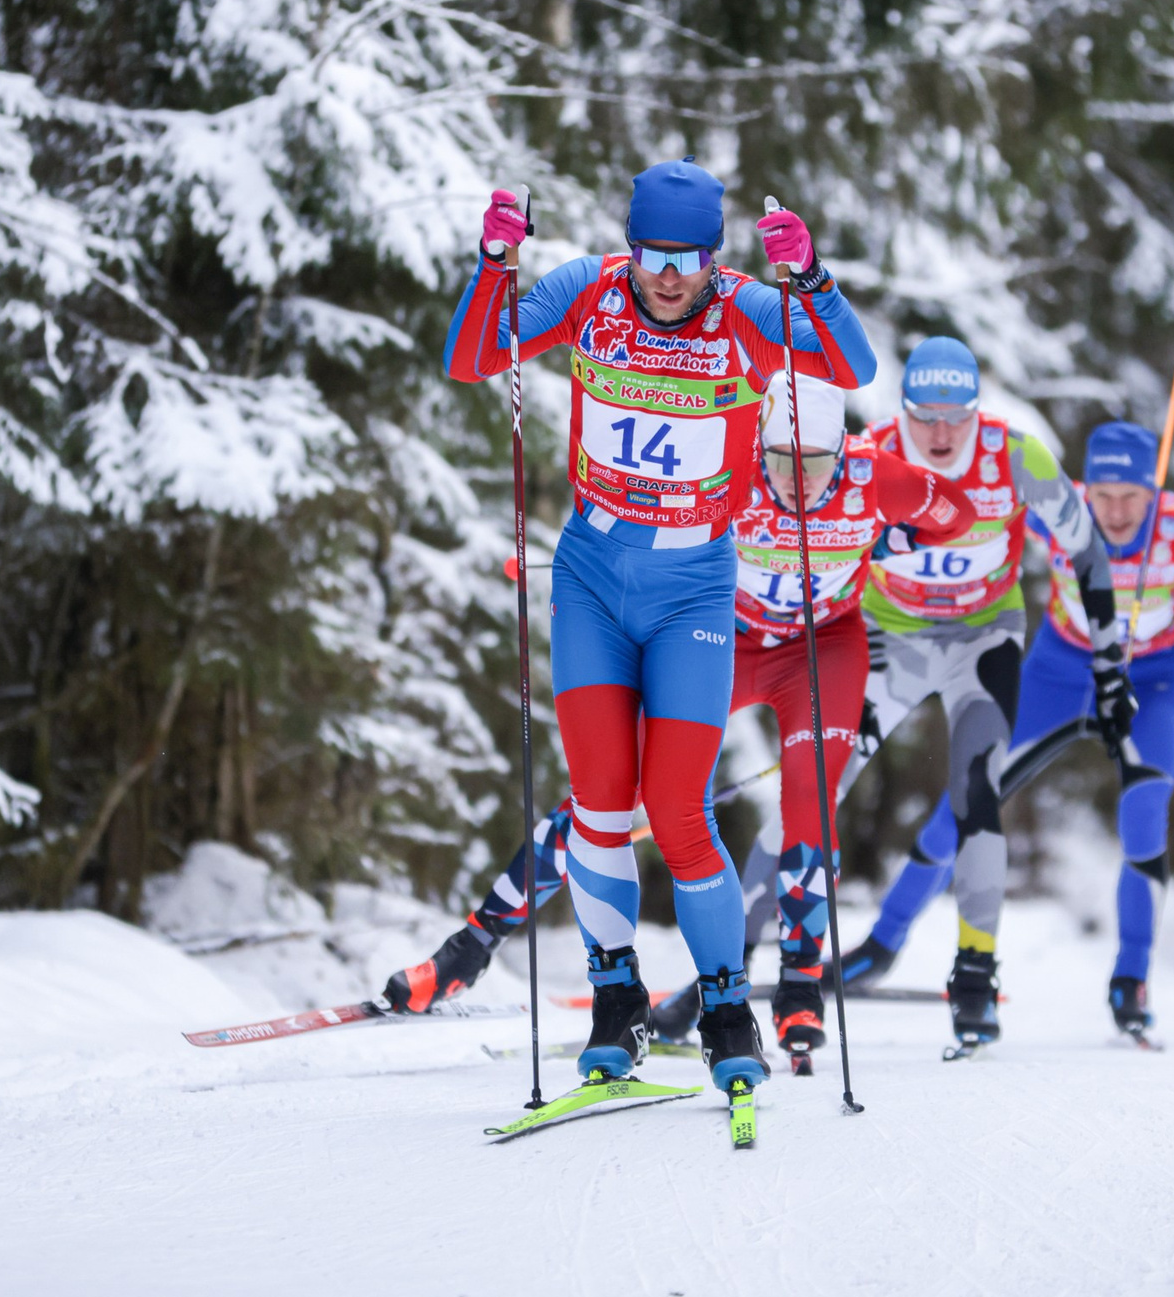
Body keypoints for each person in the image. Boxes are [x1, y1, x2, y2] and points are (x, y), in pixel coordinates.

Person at [387, 376, 973, 1072]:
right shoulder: (728, 472)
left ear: (843, 451)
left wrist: (889, 543)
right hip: (723, 643)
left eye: (813, 464)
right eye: (780, 461)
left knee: (810, 807)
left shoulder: (877, 479)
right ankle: (470, 948)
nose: (794, 481)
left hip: (821, 652)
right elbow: (634, 522)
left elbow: (958, 514)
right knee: (608, 802)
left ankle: (799, 988)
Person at [441, 162, 875, 1095]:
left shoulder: (750, 311)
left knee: (677, 812)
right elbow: (474, 356)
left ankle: (726, 1007)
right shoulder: (589, 291)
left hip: (694, 587)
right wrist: (493, 263)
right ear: (629, 245)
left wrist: (813, 284)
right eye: (653, 255)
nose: (668, 276)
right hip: (595, 577)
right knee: (598, 807)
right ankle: (616, 1001)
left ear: (715, 257)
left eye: (688, 258)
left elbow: (853, 369)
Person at [849, 421, 1174, 1042]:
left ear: (1152, 493)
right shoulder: (1057, 509)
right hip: (1060, 673)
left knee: (1145, 812)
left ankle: (1130, 980)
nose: (1117, 511)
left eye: (1131, 496)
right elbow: (974, 507)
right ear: (1084, 490)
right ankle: (882, 945)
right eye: (1103, 495)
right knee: (969, 799)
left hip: (1150, 681)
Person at [834, 338, 1128, 1052]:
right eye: (924, 416)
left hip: (981, 639)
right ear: (902, 410)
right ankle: (768, 954)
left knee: (976, 793)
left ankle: (974, 973)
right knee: (818, 781)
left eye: (955, 417)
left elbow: (1087, 550)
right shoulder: (868, 454)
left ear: (977, 410)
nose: (939, 435)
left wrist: (1112, 661)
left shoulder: (1014, 457)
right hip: (889, 639)